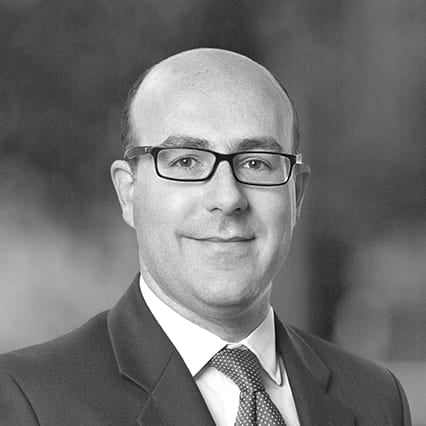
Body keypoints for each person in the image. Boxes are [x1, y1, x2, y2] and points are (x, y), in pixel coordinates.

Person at [0, 48, 411, 425]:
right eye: (186, 161)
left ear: (296, 194)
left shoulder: (377, 399)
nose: (228, 198)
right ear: (129, 192)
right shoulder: (28, 400)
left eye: (256, 163)